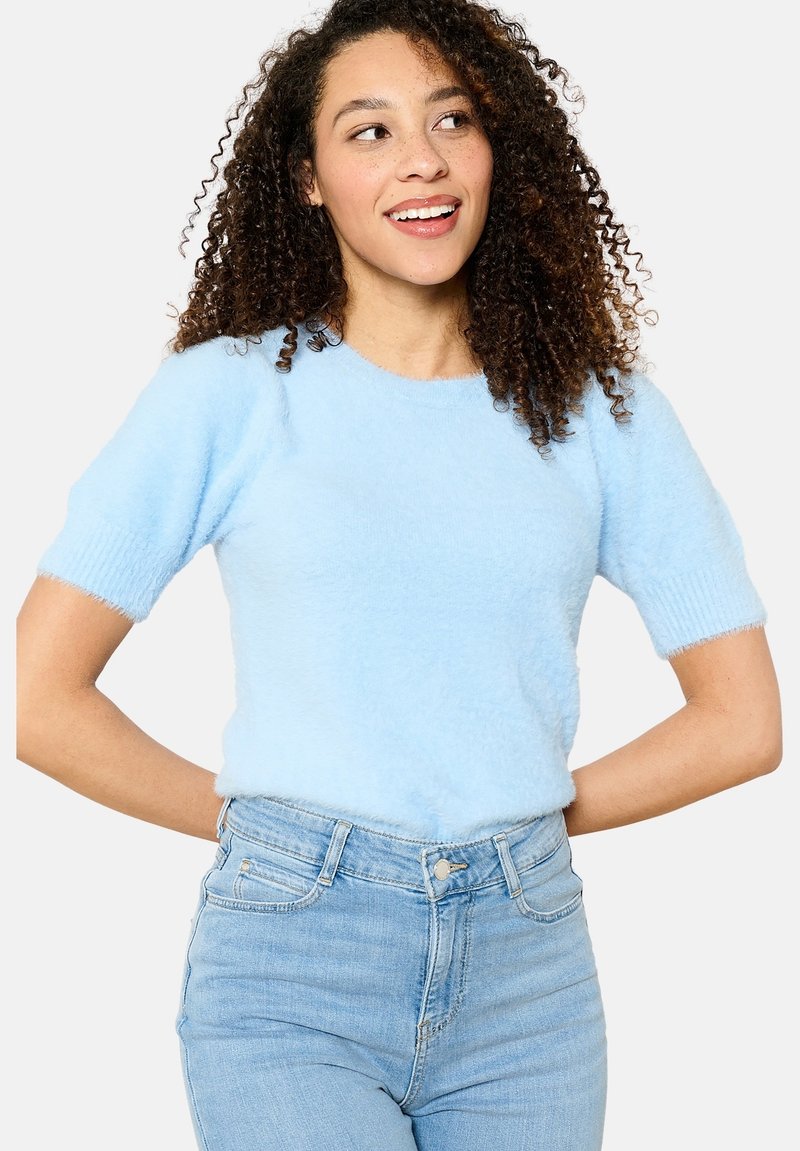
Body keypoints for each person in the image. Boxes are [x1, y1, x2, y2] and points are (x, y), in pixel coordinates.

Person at [15, 0, 782, 1147]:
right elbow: (36, 697)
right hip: (289, 972)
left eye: (450, 119)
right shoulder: (228, 395)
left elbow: (741, 721)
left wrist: (522, 822)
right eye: (368, 130)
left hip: (529, 985)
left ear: (496, 149)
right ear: (308, 177)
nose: (418, 158)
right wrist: (266, 832)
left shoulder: (600, 413)